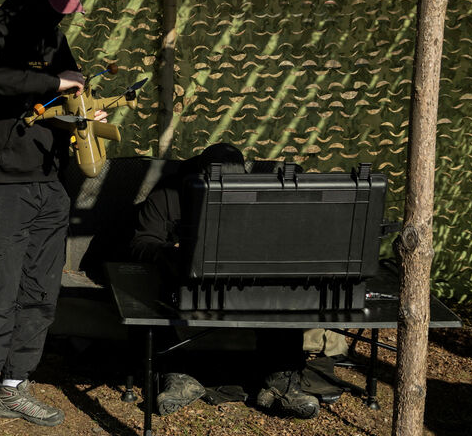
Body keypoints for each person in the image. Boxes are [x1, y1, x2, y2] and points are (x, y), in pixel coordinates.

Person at [0, 0, 93, 436]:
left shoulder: (52, 36)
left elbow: (64, 94)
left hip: (48, 185)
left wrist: (80, 113)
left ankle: (15, 386)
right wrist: (50, 79)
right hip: (1, 186)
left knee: (40, 293)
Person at [128, 143, 325, 420]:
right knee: (148, 295)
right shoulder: (169, 195)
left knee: (282, 293)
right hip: (183, 282)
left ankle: (281, 382)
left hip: (242, 280)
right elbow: (140, 243)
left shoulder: (255, 194)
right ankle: (177, 377)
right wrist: (170, 253)